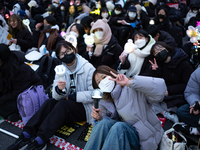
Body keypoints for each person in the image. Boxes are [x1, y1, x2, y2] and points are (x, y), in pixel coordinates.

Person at [7, 41, 95, 150]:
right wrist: (59, 89)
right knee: (50, 102)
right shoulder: (61, 69)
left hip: (84, 107)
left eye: (68, 51)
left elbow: (94, 94)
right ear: (59, 57)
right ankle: (26, 134)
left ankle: (40, 139)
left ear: (74, 50)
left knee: (63, 105)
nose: (66, 55)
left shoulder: (88, 68)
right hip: (67, 104)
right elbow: (55, 96)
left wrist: (73, 96)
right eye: (62, 54)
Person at [84, 65, 167, 150]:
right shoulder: (105, 99)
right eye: (98, 82)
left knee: (119, 127)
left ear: (112, 74)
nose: (103, 82)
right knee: (104, 122)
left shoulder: (131, 87)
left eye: (104, 77)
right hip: (120, 138)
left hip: (144, 139)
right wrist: (100, 117)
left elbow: (161, 89)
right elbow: (105, 127)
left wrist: (130, 83)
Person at [150, 42, 194, 123]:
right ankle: (165, 113)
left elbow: (188, 85)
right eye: (155, 53)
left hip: (180, 95)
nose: (159, 53)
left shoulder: (184, 64)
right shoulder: (162, 64)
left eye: (160, 49)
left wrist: (169, 91)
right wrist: (156, 71)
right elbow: (160, 82)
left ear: (167, 48)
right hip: (166, 93)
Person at [0, 44, 42, 122]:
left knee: (5, 104)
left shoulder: (21, 69)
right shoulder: (4, 66)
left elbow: (19, 92)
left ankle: (17, 113)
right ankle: (13, 113)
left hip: (29, 93)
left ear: (2, 59)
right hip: (13, 90)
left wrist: (2, 99)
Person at [175, 67, 200, 136]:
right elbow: (191, 92)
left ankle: (195, 131)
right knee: (182, 111)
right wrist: (195, 104)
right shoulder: (197, 73)